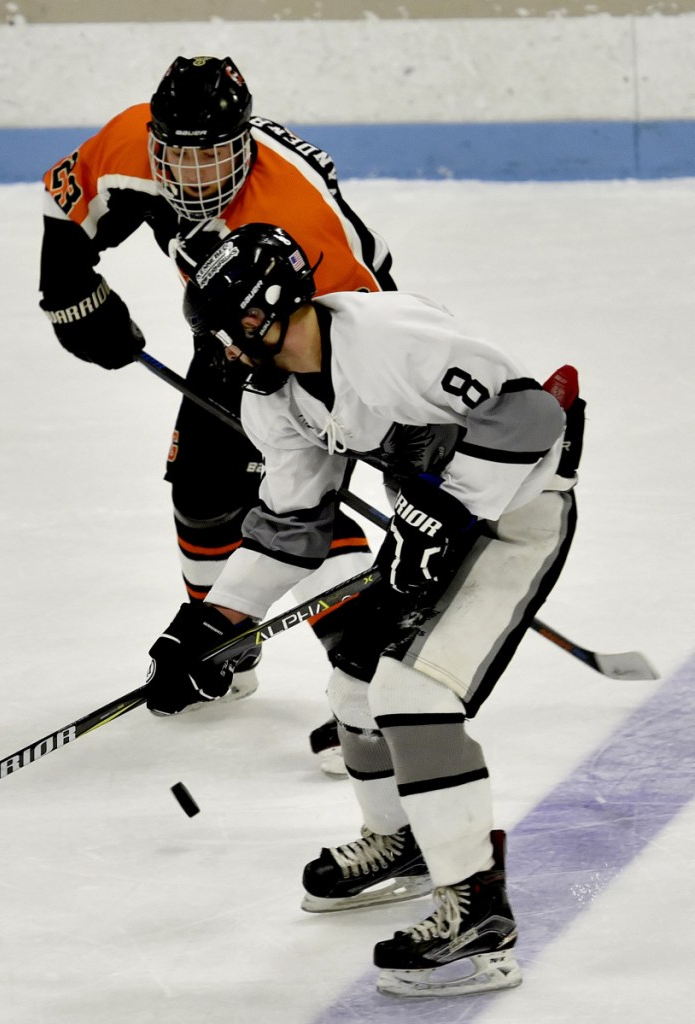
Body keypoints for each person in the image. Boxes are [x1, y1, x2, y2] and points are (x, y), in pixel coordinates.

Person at [144, 223, 583, 996]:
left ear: (268, 308)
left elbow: (532, 419)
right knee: (353, 680)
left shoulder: (389, 338)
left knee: (412, 695)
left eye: (227, 328)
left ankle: (477, 914)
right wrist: (210, 628)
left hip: (520, 514)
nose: (222, 348)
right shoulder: (274, 396)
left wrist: (446, 511)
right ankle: (404, 843)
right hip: (438, 526)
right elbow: (292, 522)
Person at [38, 55, 397, 772]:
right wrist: (68, 293)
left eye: (214, 156)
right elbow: (66, 205)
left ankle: (376, 697)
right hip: (232, 325)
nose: (196, 175)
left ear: (245, 144)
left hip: (321, 333)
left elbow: (365, 324)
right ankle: (225, 654)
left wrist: (343, 421)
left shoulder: (298, 216)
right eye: (178, 154)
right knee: (202, 490)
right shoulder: (126, 144)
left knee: (296, 509)